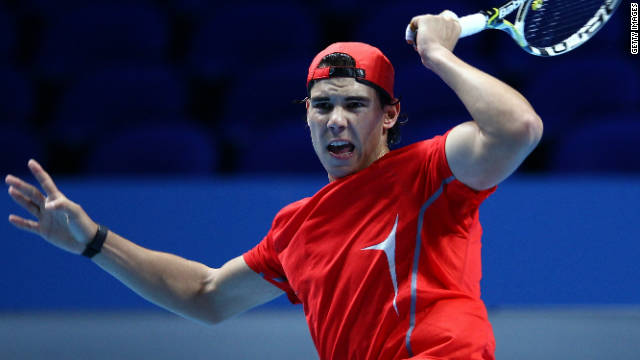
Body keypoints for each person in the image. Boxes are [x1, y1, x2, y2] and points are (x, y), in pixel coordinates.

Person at [5, 12, 542, 360]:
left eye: (355, 104)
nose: (337, 119)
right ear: (306, 115)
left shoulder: (431, 172)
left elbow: (517, 128)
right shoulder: (296, 228)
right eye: (323, 105)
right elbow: (206, 295)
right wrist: (93, 241)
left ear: (388, 116)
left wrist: (438, 55)